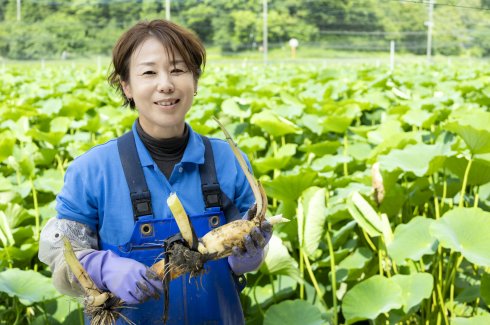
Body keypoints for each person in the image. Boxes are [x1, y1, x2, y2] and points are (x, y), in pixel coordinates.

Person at [38, 19, 272, 325]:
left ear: (195, 80)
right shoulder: (91, 171)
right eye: (149, 72)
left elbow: (249, 244)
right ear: (126, 85)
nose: (166, 84)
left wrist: (249, 257)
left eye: (177, 70)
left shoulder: (230, 160)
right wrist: (102, 265)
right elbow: (60, 253)